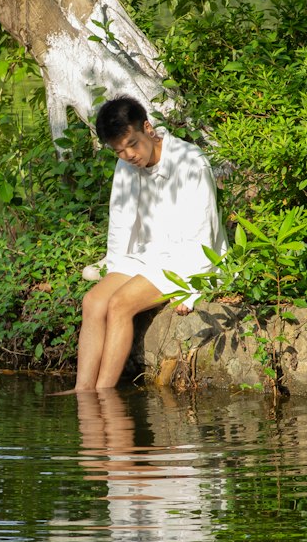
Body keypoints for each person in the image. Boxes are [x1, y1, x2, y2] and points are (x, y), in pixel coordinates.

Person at [74, 95, 226, 392]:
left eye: (132, 143)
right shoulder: (125, 165)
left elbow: (204, 233)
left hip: (183, 258)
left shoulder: (190, 161)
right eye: (119, 151)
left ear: (148, 128)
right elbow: (120, 224)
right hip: (144, 255)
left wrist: (191, 287)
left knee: (119, 305)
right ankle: (82, 391)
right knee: (93, 302)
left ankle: (102, 395)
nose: (129, 155)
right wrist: (114, 268)